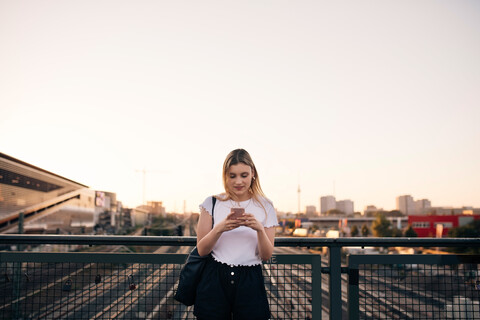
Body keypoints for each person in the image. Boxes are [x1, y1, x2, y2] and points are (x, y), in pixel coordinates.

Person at [194, 149, 278, 320]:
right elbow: (202, 250)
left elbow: (266, 255)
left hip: (250, 278)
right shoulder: (211, 203)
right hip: (215, 276)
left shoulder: (266, 206)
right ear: (225, 176)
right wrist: (219, 228)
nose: (238, 181)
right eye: (232, 176)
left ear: (253, 173)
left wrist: (259, 229)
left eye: (244, 175)